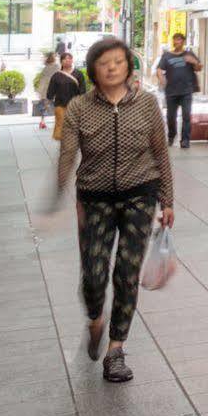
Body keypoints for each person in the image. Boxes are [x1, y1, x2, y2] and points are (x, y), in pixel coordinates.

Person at [56, 37, 174, 384]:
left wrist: (167, 200)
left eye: (118, 62)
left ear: (128, 67)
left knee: (126, 273)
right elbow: (68, 153)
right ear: (93, 68)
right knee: (93, 275)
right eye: (104, 62)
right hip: (94, 199)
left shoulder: (147, 104)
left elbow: (160, 154)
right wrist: (57, 191)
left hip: (140, 195)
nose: (111, 68)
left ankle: (116, 349)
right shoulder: (79, 107)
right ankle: (95, 319)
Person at [152, 33, 200, 149]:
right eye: (174, 40)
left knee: (186, 116)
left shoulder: (189, 54)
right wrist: (161, 78)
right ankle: (171, 135)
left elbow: (198, 68)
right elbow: (159, 69)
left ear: (183, 41)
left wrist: (193, 62)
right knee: (170, 117)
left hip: (186, 91)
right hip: (171, 91)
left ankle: (185, 140)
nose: (176, 42)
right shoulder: (167, 56)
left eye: (178, 40)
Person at [45, 52, 85, 141]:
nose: (67, 60)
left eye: (69, 58)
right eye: (65, 59)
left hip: (75, 106)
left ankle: (73, 140)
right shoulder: (56, 75)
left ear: (72, 60)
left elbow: (82, 90)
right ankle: (63, 142)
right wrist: (48, 101)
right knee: (60, 124)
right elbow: (51, 90)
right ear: (61, 61)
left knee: (74, 125)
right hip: (60, 104)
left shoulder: (78, 74)